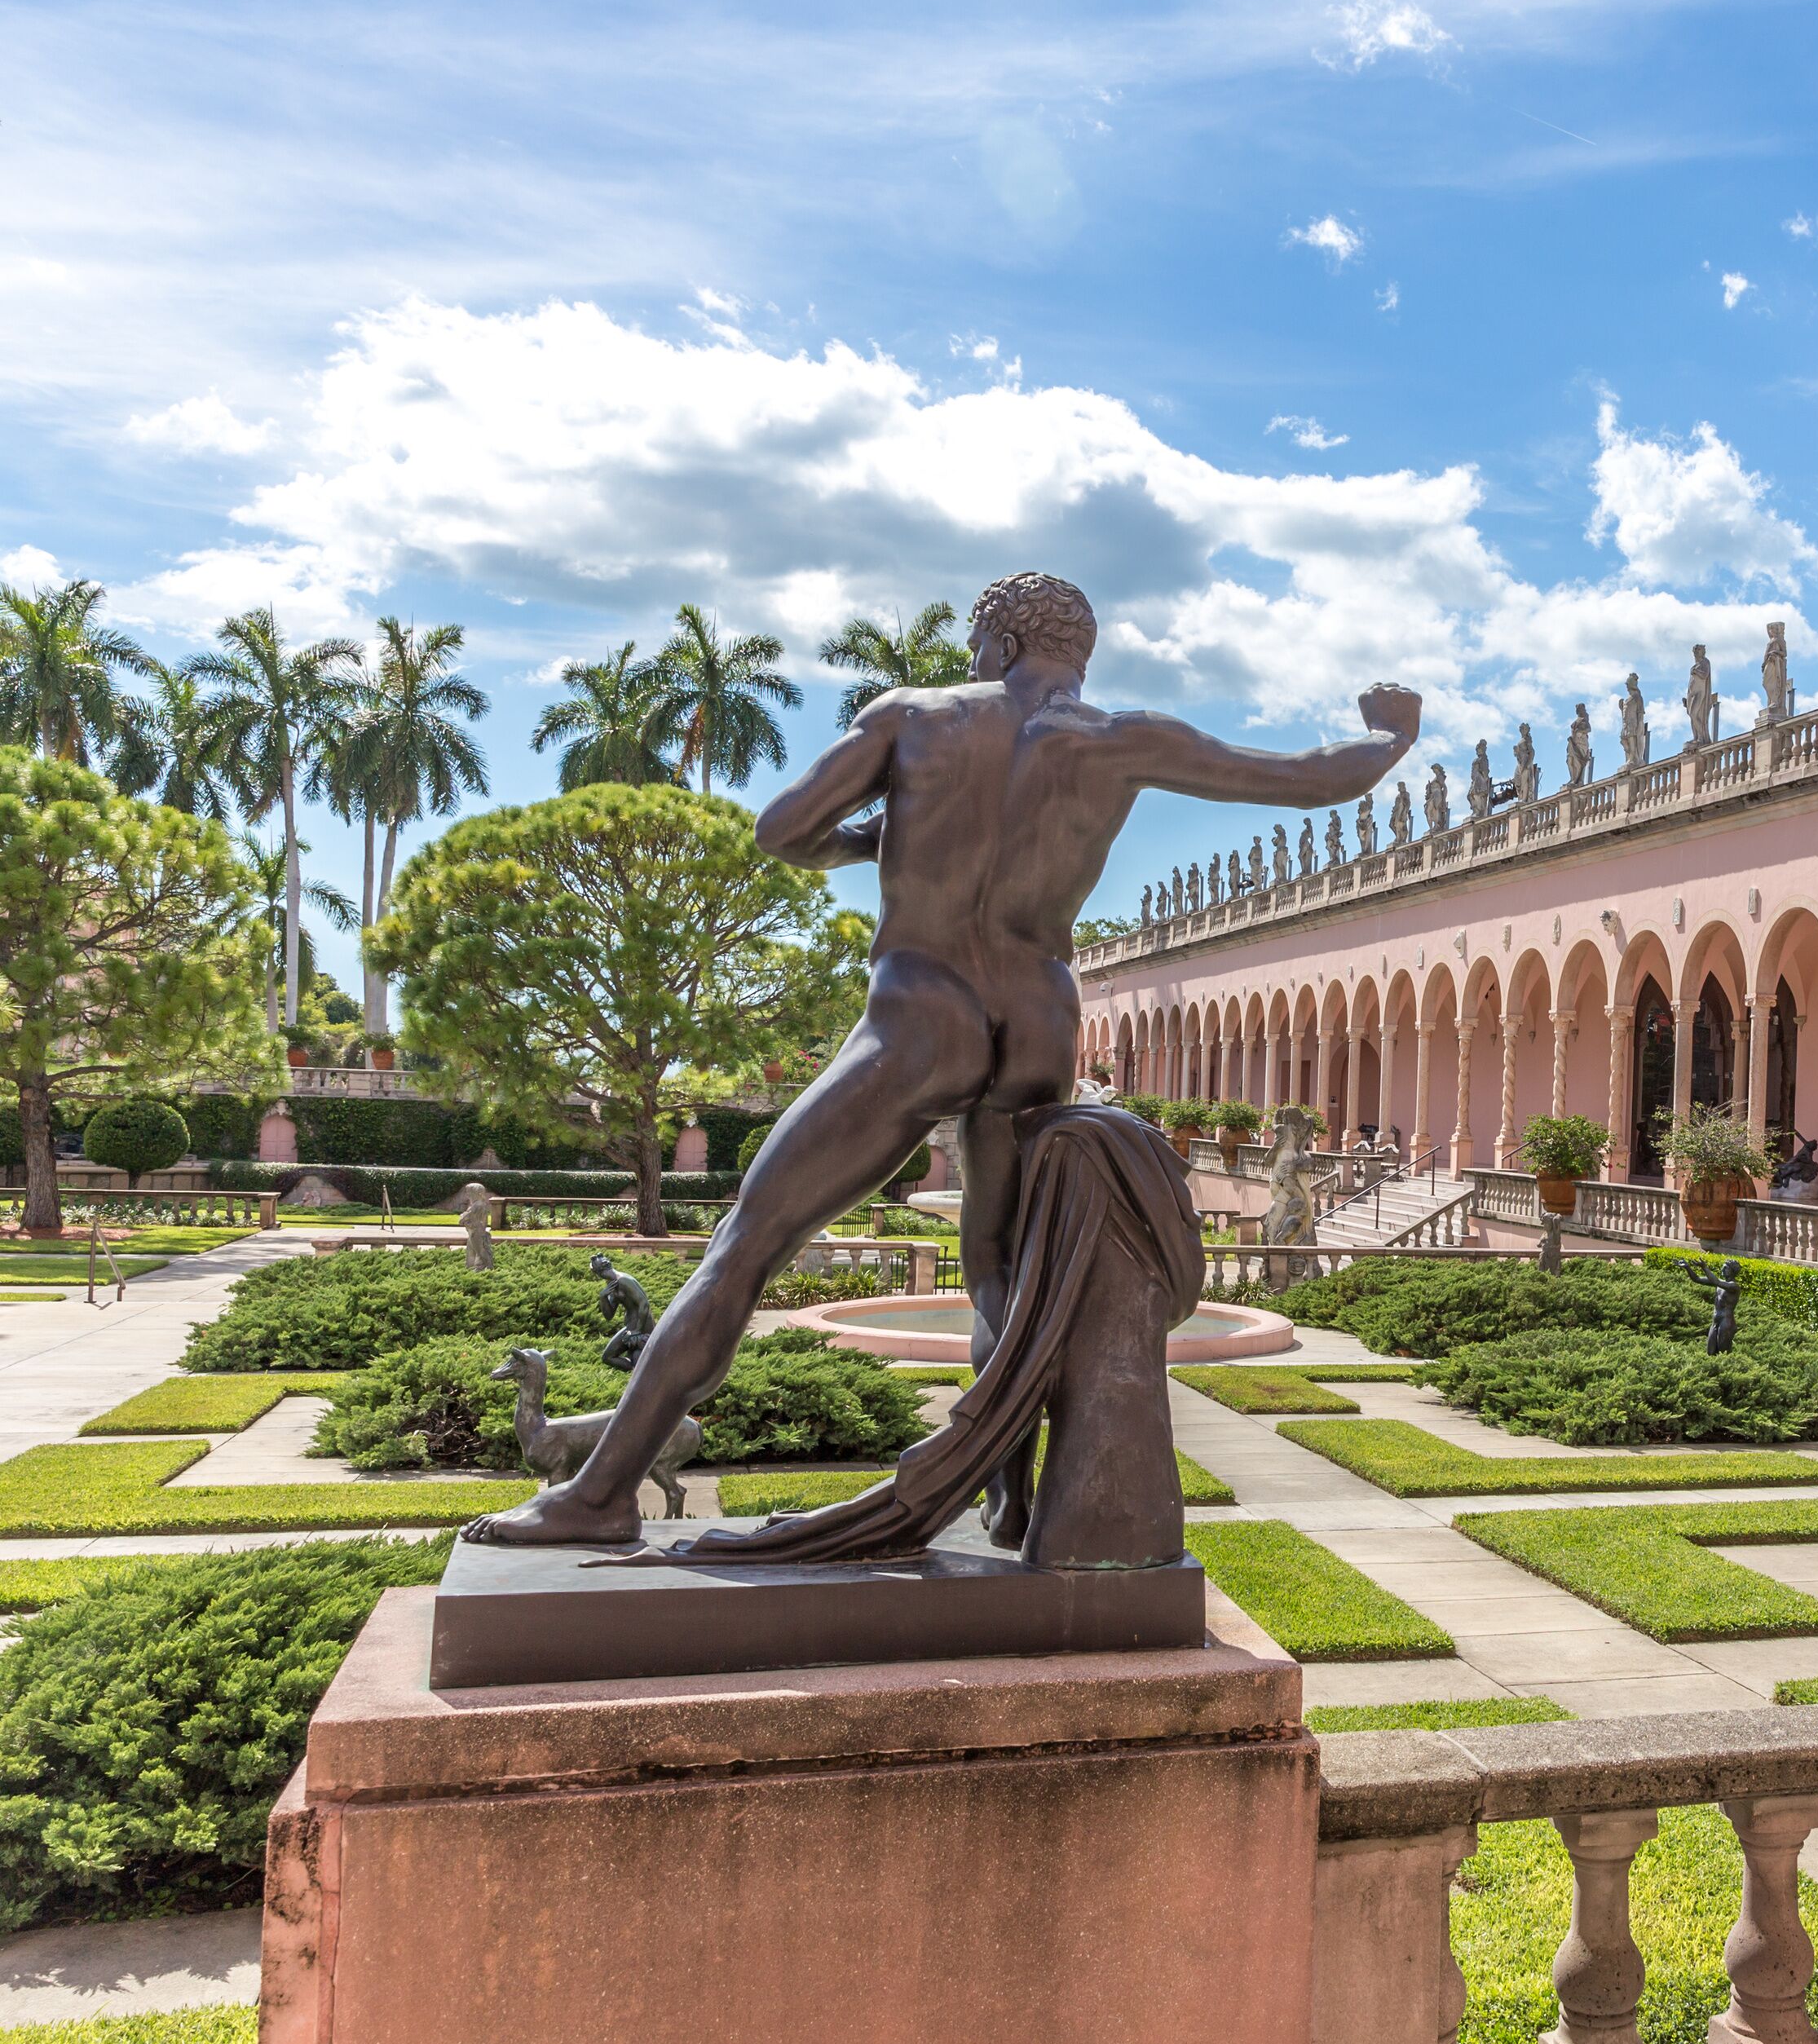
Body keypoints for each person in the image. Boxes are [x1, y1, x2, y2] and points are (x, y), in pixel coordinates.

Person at [463, 571, 1419, 1547]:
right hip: (1039, 1016)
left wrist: (870, 841)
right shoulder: (1123, 738)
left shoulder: (915, 718)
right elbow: (1308, 777)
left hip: (924, 1013)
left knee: (747, 1244)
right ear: (1076, 655)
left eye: (976, 647)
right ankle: (1009, 1502)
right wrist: (1391, 737)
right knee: (1000, 1266)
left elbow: (781, 830)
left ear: (1000, 643)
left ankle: (600, 1494)